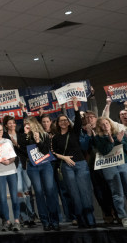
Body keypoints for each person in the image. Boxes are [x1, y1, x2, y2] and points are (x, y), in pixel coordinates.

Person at [52, 96, 97, 228]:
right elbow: (53, 152)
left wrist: (75, 106)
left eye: (65, 120)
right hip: (67, 166)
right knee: (74, 195)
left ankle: (90, 219)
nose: (63, 122)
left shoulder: (75, 132)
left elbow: (78, 120)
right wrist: (65, 158)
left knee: (85, 193)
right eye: (61, 121)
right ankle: (81, 220)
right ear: (58, 123)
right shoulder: (55, 137)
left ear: (68, 122)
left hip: (81, 164)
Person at [18, 117, 60, 231]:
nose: (26, 126)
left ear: (34, 124)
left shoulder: (44, 135)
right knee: (39, 193)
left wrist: (38, 141)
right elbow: (22, 149)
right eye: (25, 124)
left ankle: (55, 221)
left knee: (50, 192)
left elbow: (45, 151)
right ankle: (45, 222)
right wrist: (27, 135)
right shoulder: (23, 136)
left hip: (45, 165)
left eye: (28, 124)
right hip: (33, 167)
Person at [93, 117, 127, 228]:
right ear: (99, 127)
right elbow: (104, 151)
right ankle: (123, 217)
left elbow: (126, 148)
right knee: (117, 192)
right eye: (102, 124)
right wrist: (112, 141)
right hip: (109, 166)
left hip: (123, 164)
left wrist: (121, 141)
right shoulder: (98, 138)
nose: (105, 125)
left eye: (107, 123)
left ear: (110, 123)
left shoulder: (119, 133)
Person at [0, 123, 21, 232]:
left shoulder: (8, 141)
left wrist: (8, 161)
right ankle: (6, 221)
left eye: (1, 130)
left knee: (15, 197)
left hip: (11, 171)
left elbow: (13, 157)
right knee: (2, 199)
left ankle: (16, 221)